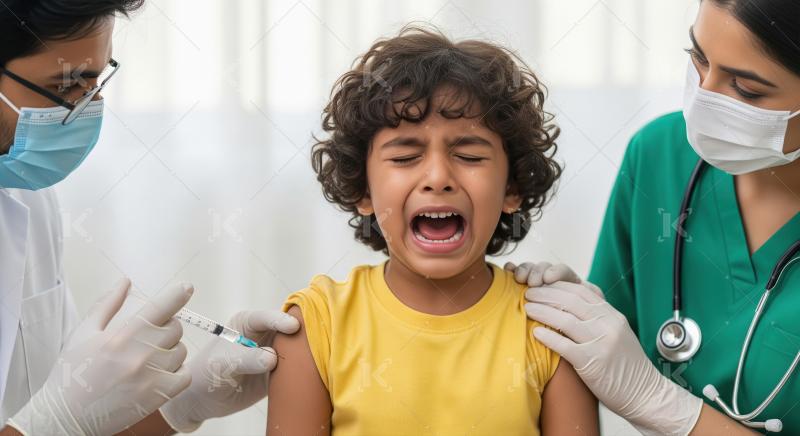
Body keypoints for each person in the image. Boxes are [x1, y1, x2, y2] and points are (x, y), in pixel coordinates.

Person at [266, 26, 599, 436]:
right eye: (406, 156)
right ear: (362, 189)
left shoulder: (553, 331)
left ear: (511, 188)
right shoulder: (316, 326)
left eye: (468, 155)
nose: (438, 177)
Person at [0, 1, 299, 434]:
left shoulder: (28, 199)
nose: (87, 108)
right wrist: (55, 423)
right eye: (67, 84)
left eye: (96, 81)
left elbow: (73, 423)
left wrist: (184, 407)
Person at [514, 0, 800, 434]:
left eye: (745, 89)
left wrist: (660, 402)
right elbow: (598, 349)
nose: (704, 97)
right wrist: (576, 317)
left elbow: (640, 386)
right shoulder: (659, 155)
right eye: (699, 59)